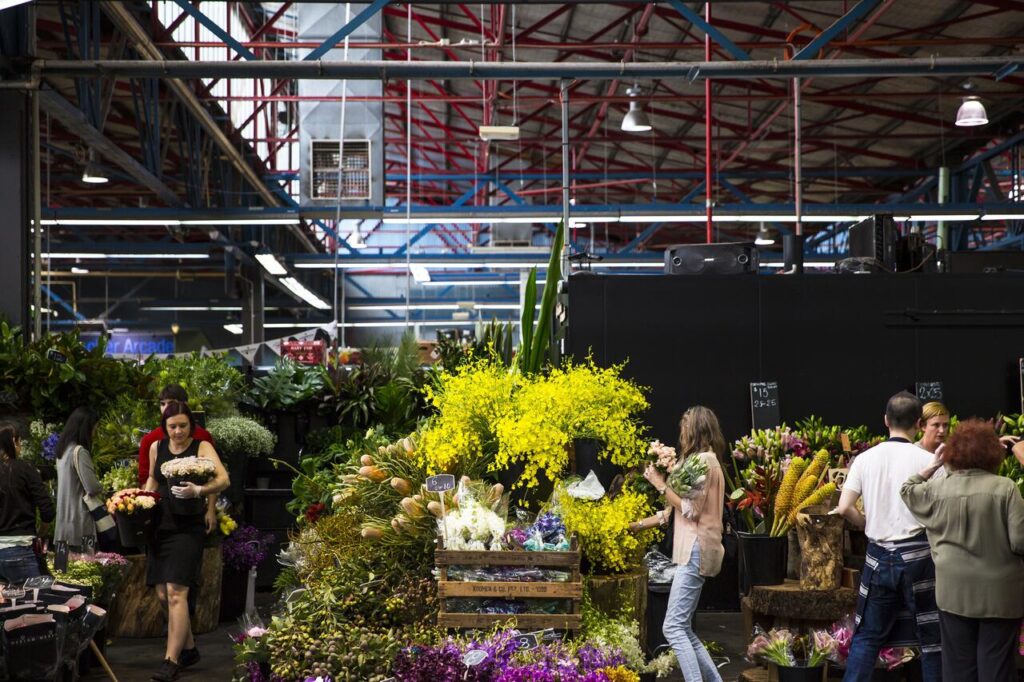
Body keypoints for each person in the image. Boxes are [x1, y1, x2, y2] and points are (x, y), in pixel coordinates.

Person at [900, 419, 1024, 682]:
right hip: (999, 594)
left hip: (952, 593)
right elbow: (1020, 541)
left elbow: (907, 490)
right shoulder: (1005, 488)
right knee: (996, 666)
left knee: (957, 666)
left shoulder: (939, 487)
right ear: (993, 453)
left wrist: (934, 464)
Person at [837, 391, 942, 682]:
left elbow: (844, 507)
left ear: (885, 420)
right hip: (920, 558)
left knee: (868, 637)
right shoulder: (930, 460)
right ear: (919, 423)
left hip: (878, 557)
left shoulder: (864, 459)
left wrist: (865, 522)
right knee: (931, 641)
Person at [630, 406, 725, 682]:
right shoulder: (700, 460)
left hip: (696, 549)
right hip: (694, 550)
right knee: (683, 627)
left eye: (685, 428)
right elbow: (670, 514)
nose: (681, 433)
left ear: (696, 430)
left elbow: (689, 509)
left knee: (672, 627)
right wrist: (635, 525)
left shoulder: (704, 463)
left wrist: (661, 485)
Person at [144, 401, 229, 682]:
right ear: (164, 427)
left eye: (183, 425)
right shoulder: (157, 447)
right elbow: (153, 482)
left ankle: (171, 661)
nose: (178, 432)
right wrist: (139, 501)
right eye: (172, 427)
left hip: (187, 527)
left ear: (191, 425)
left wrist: (200, 491)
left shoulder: (201, 447)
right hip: (160, 526)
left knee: (177, 593)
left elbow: (224, 479)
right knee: (161, 595)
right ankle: (189, 648)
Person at [0, 424, 55, 583]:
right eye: (20, 442)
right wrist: (42, 532)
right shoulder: (26, 469)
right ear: (14, 442)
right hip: (20, 551)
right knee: (34, 603)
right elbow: (47, 510)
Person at [54, 407, 109, 551]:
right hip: (81, 524)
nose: (95, 434)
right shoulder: (80, 452)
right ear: (86, 428)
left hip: (62, 526)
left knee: (62, 569)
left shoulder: (62, 453)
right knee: (87, 569)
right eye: (94, 429)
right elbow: (92, 487)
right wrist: (103, 487)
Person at [137, 384, 214, 486]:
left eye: (171, 403)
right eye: (162, 404)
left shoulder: (203, 437)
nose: (165, 408)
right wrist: (149, 498)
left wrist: (202, 493)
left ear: (184, 405)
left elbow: (214, 476)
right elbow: (146, 478)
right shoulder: (150, 440)